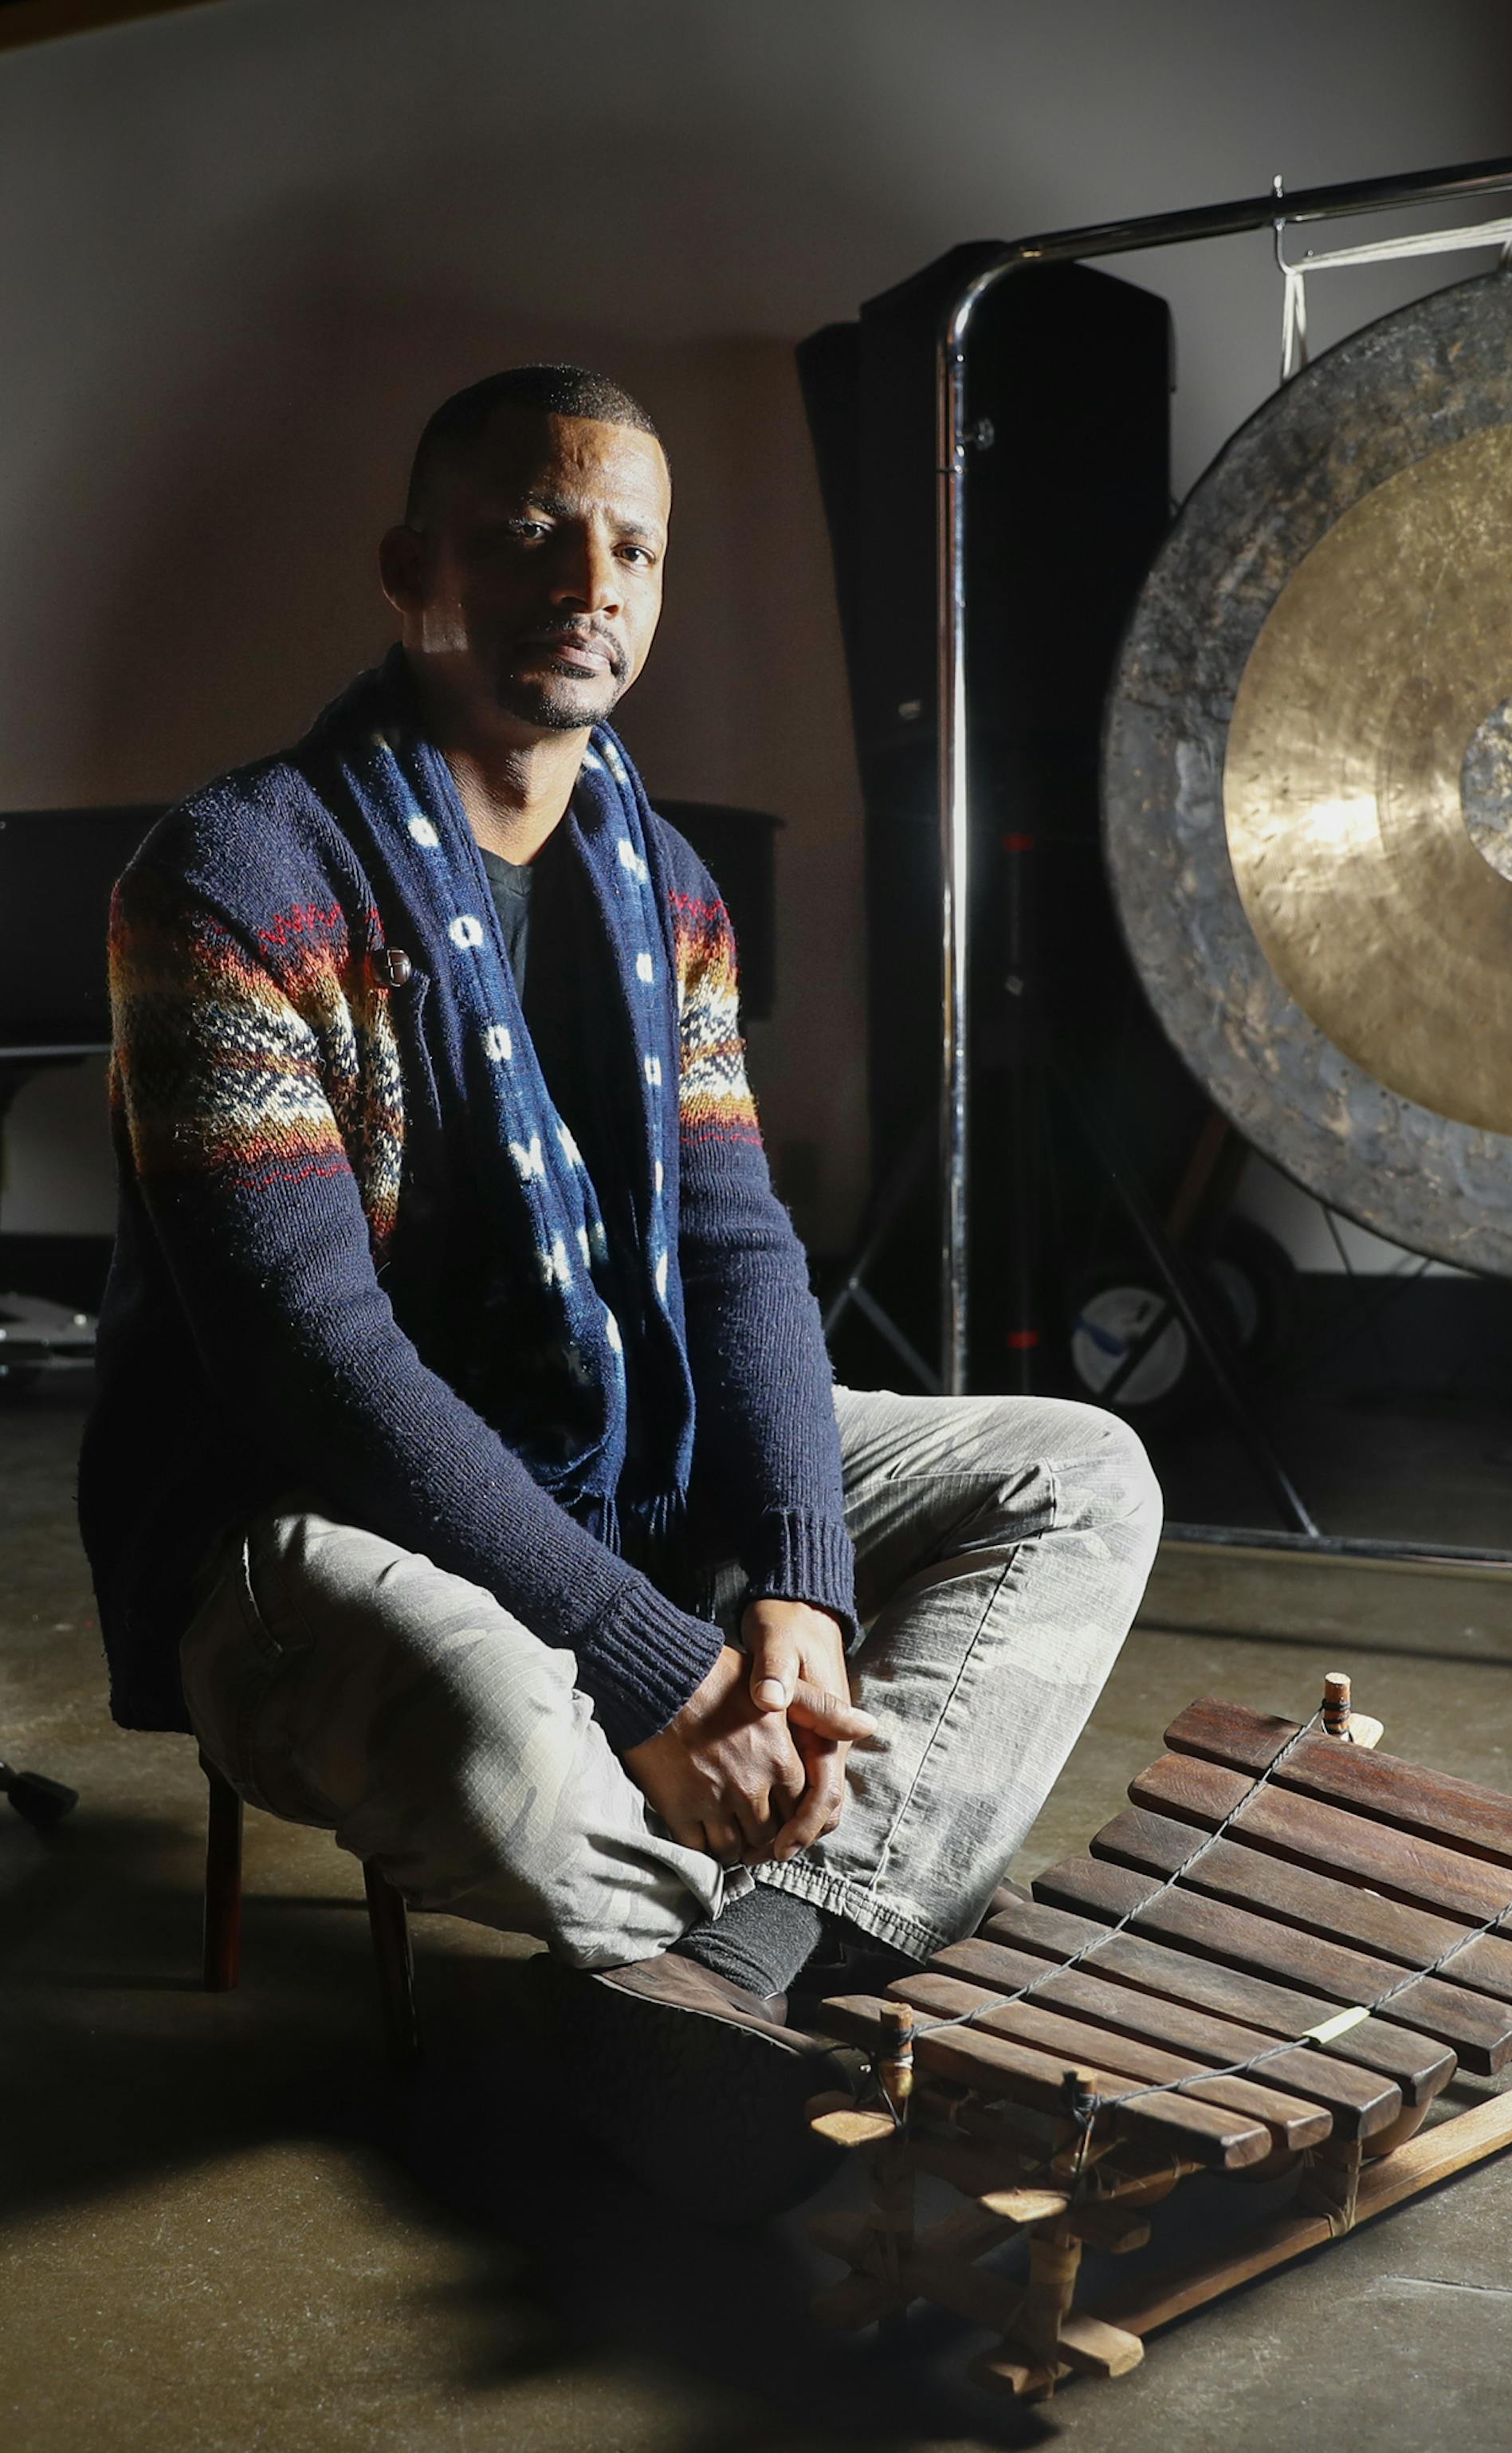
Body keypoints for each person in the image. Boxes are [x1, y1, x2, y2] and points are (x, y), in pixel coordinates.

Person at [80, 364, 1161, 2215]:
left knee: (1078, 1470)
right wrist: (663, 1671)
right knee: (515, 1750)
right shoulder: (232, 882)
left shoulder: (665, 890)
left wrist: (804, 1599)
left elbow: (738, 1243)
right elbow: (317, 1362)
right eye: (529, 533)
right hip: (298, 1519)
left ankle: (723, 1972)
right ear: (412, 567)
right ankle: (774, 1928)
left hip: (607, 1467)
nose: (591, 576)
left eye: (632, 546)